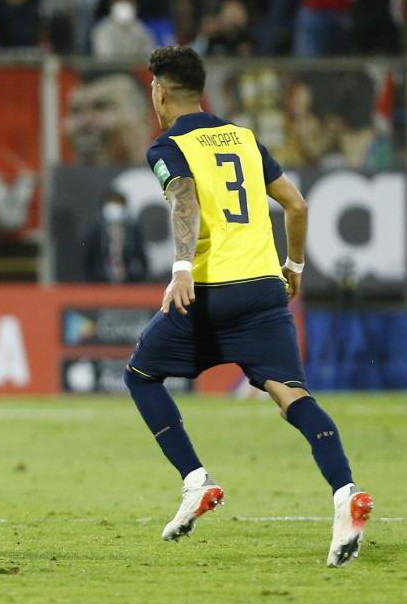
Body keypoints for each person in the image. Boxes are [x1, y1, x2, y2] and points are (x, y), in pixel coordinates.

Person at [125, 46, 373, 567]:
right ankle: (346, 493)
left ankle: (196, 482)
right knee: (291, 394)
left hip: (211, 291)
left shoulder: (168, 145)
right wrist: (295, 268)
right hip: (264, 288)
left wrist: (181, 268)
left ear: (160, 92)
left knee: (141, 374)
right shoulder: (243, 139)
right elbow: (297, 204)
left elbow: (185, 198)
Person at [64, 73, 151, 166]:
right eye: (76, 110)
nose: (84, 122)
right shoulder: (54, 179)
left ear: (144, 122)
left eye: (101, 107)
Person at [81, 190, 148, 283]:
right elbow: (88, 258)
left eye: (118, 204)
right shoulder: (96, 229)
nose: (114, 207)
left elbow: (141, 256)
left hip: (128, 281)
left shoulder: (132, 229)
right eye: (111, 203)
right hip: (99, 280)